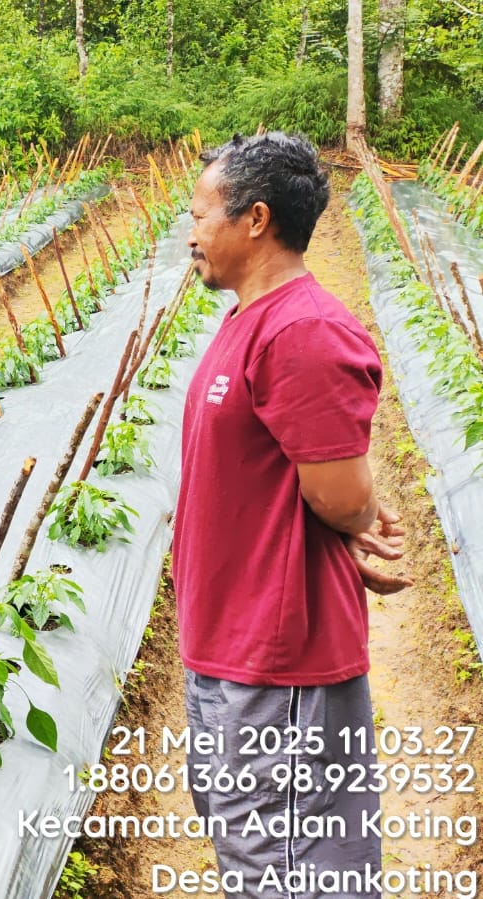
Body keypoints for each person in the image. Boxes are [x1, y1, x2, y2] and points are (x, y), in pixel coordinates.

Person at [173, 133, 411, 898]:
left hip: (278, 664)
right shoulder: (250, 319)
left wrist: (357, 516)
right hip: (227, 645)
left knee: (290, 867)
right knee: (256, 854)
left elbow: (336, 494)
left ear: (254, 220)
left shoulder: (302, 331)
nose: (189, 231)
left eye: (200, 213)